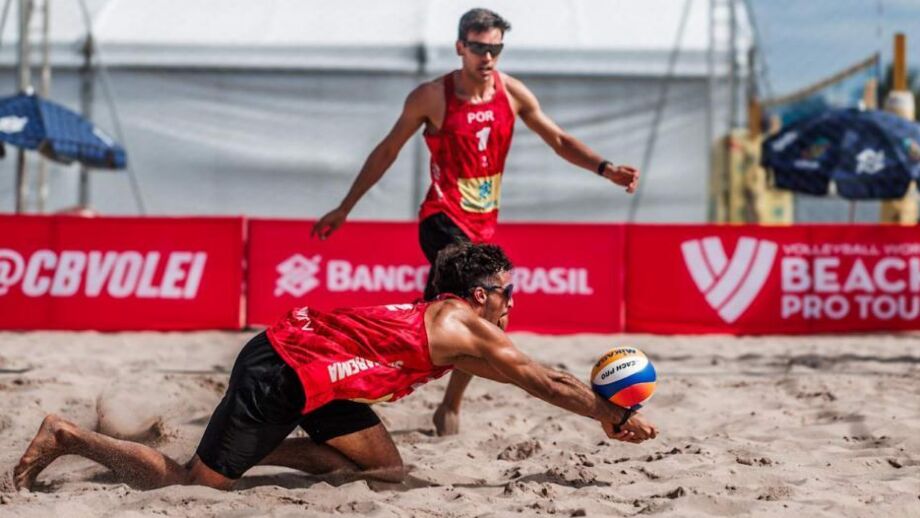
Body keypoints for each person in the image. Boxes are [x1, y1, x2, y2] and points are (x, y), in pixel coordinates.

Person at [14, 243, 657, 491]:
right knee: (195, 483)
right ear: (481, 295)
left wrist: (605, 411)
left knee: (383, 468)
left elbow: (535, 378)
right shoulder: (463, 324)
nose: (515, 303)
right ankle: (68, 435)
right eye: (509, 293)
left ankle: (248, 451)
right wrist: (612, 414)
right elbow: (547, 380)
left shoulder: (450, 324)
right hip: (284, 372)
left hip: (320, 376)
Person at [311, 8, 640, 436]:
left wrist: (605, 168)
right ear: (460, 48)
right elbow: (388, 150)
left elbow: (558, 140)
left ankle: (441, 401)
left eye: (496, 48)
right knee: (482, 309)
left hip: (482, 226)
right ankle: (390, 389)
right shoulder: (432, 96)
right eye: (480, 48)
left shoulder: (512, 92)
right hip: (441, 220)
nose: (488, 57)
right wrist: (345, 206)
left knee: (455, 322)